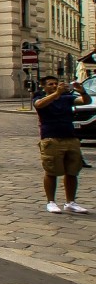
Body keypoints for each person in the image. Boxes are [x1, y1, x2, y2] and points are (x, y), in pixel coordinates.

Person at [34, 75, 90, 214]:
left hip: (70, 137)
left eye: (56, 84)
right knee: (51, 171)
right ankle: (51, 202)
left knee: (72, 171)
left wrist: (82, 91)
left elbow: (85, 101)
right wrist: (56, 93)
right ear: (44, 87)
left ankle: (70, 202)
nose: (54, 86)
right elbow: (39, 105)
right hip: (51, 138)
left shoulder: (66, 99)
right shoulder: (40, 98)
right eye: (50, 84)